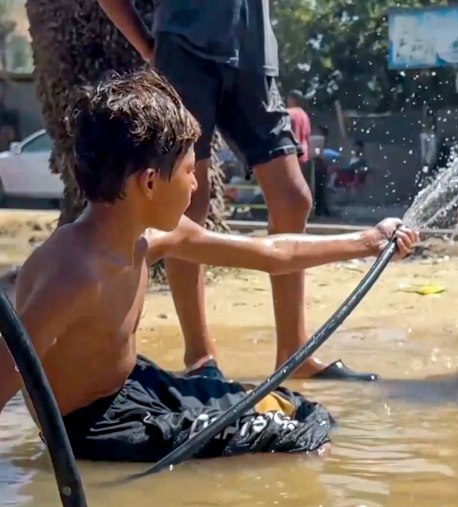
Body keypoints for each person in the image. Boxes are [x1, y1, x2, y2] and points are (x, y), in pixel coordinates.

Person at [0, 69, 419, 461]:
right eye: (188, 170)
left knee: (293, 409)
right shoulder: (74, 275)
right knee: (292, 442)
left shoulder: (149, 237)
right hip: (94, 429)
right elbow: (8, 367)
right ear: (149, 182)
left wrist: (367, 241)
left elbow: (272, 255)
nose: (197, 183)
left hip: (135, 388)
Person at [96, 1, 376, 381]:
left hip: (255, 60)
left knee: (294, 198)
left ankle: (294, 354)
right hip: (186, 50)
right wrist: (149, 46)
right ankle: (200, 356)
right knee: (188, 198)